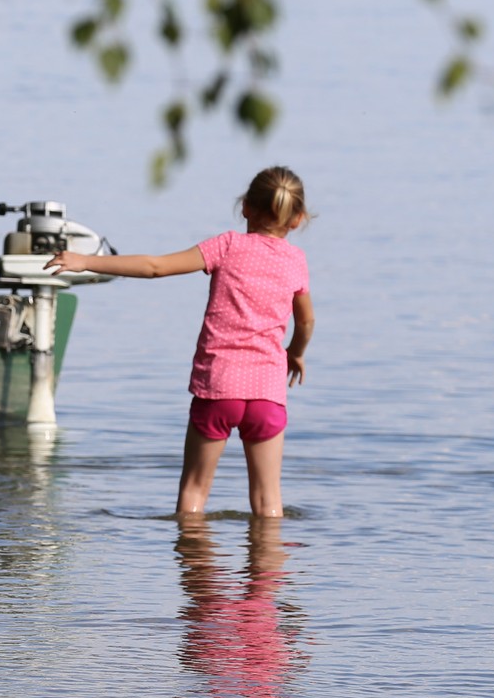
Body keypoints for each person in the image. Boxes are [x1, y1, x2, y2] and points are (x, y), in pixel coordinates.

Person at [48, 165, 314, 517]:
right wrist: (294, 353)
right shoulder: (296, 260)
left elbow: (156, 266)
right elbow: (306, 319)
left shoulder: (228, 245)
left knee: (194, 492)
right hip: (267, 392)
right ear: (297, 219)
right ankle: (267, 573)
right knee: (268, 502)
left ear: (246, 207)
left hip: (219, 388)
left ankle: (195, 570)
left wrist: (85, 261)